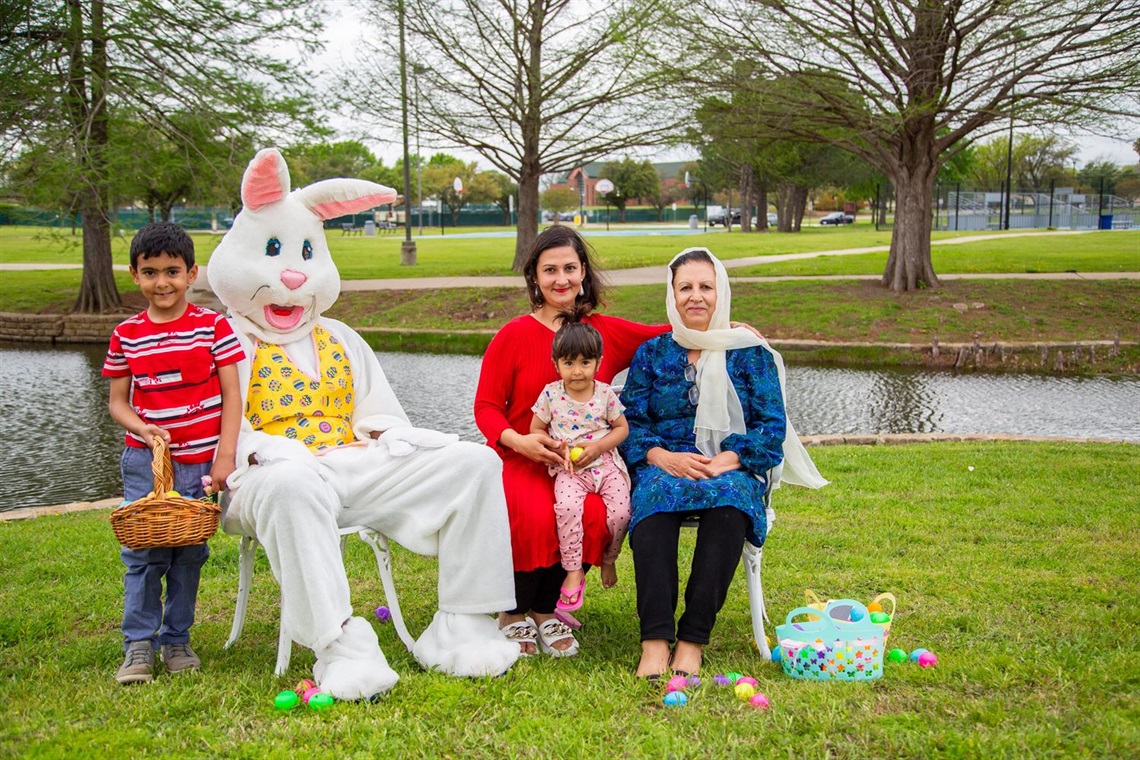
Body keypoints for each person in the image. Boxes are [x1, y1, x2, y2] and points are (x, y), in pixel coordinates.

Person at [619, 247, 827, 679]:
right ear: (672, 296)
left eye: (706, 287)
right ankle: (655, 641)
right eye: (686, 288)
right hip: (666, 463)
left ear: (722, 291)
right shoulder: (653, 353)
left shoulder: (750, 353)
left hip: (732, 466)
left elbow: (772, 428)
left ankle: (692, 640)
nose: (696, 297)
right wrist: (663, 457)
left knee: (731, 506)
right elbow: (631, 423)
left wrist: (729, 460)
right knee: (654, 501)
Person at [474, 226, 667, 657]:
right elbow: (486, 406)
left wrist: (723, 324)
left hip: (584, 463)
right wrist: (518, 440)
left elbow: (667, 332)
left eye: (569, 268)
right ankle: (513, 611)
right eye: (550, 270)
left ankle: (547, 608)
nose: (561, 279)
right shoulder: (513, 334)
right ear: (534, 277)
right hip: (522, 455)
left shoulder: (599, 335)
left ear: (583, 272)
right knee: (535, 510)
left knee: (598, 509)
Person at [102, 221, 245, 685]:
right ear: (134, 274)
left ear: (191, 273)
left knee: (188, 549)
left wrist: (224, 456)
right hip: (147, 462)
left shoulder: (213, 326)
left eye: (172, 271)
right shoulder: (126, 334)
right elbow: (117, 403)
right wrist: (143, 430)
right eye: (150, 272)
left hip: (201, 462)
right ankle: (138, 645)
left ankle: (177, 638)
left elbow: (232, 397)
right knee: (144, 552)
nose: (161, 282)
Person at [529, 310, 631, 616]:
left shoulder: (604, 395)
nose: (577, 371)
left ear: (598, 362)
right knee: (568, 509)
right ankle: (573, 570)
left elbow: (622, 428)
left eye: (585, 362)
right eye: (568, 363)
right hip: (570, 470)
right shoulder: (550, 395)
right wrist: (555, 446)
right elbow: (536, 429)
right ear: (556, 363)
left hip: (606, 466)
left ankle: (609, 558)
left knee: (622, 512)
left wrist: (599, 446)